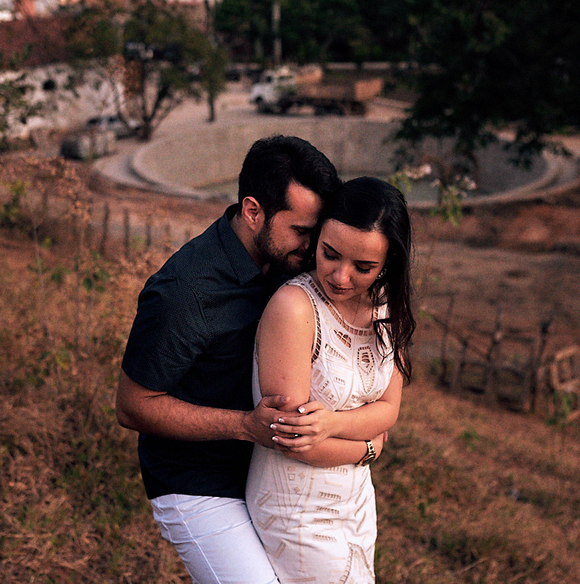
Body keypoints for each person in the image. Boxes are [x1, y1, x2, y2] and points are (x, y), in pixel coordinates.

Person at [115, 135, 341, 583]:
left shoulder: (289, 265)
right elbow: (131, 405)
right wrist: (244, 426)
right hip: (196, 483)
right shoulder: (185, 291)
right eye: (301, 231)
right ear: (253, 211)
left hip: (268, 473)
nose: (312, 247)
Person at [247, 176, 415, 583]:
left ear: (388, 264)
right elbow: (295, 441)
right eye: (330, 254)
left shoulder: (386, 311)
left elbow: (389, 410)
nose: (340, 277)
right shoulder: (295, 307)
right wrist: (369, 448)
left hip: (357, 501)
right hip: (296, 509)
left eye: (363, 267)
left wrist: (334, 425)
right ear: (317, 239)